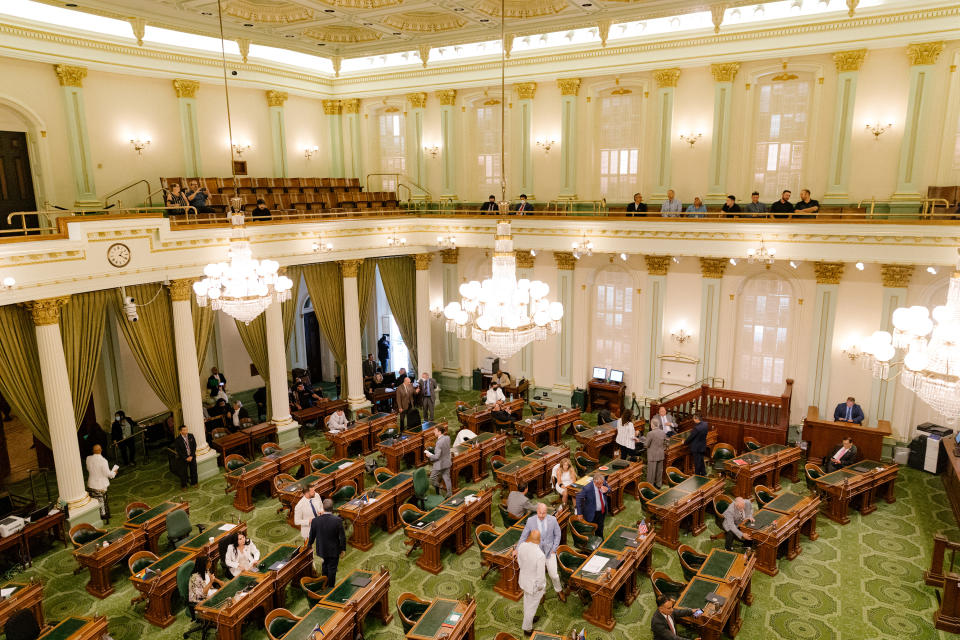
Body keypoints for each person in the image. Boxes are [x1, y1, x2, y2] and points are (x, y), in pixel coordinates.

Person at [517, 503, 566, 603]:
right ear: (537, 511)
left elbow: (558, 534)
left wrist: (554, 548)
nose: (542, 515)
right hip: (536, 553)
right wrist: (517, 549)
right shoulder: (530, 521)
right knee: (539, 577)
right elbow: (523, 536)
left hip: (550, 552)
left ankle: (559, 590)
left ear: (546, 512)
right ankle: (542, 593)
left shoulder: (553, 520)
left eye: (544, 513)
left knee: (554, 575)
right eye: (540, 513)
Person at [307, 498, 346, 587]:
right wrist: (343, 549)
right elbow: (342, 537)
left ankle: (324, 583)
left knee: (324, 565)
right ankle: (330, 587)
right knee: (332, 568)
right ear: (332, 508)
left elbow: (312, 535)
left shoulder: (315, 521)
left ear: (323, 508)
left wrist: (309, 545)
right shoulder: (338, 520)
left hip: (322, 549)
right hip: (334, 550)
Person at [517, 528, 546, 636]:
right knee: (531, 607)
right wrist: (541, 587)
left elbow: (519, 563)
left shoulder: (522, 546)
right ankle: (527, 628)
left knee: (527, 602)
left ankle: (529, 619)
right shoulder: (540, 555)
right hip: (534, 586)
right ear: (539, 540)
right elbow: (541, 576)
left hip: (523, 580)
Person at [86, 444, 117, 523]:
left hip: (90, 484)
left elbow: (88, 469)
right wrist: (114, 472)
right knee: (102, 499)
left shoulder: (88, 458)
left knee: (97, 499)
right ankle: (103, 513)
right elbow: (109, 475)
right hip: (100, 485)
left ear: (93, 451)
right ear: (101, 450)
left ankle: (99, 513)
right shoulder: (103, 461)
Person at [575, 473, 610, 539]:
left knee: (600, 527)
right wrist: (579, 513)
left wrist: (607, 490)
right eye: (599, 484)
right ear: (594, 482)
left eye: (602, 483)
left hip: (602, 511)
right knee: (591, 529)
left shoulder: (603, 482)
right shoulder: (587, 488)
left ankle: (600, 540)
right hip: (591, 512)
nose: (601, 485)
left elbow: (609, 488)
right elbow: (578, 498)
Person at [425, 423, 452, 498]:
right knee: (447, 478)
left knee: (432, 479)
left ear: (439, 432)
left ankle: (439, 486)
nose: (434, 432)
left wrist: (429, 455)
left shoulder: (439, 442)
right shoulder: (447, 438)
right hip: (447, 461)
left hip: (439, 464)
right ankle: (449, 494)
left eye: (435, 430)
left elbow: (436, 457)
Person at [645, 419, 667, 489]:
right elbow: (665, 443)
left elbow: (646, 445)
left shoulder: (650, 433)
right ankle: (658, 485)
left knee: (651, 472)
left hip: (652, 455)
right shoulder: (663, 432)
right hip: (660, 454)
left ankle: (650, 486)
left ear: (652, 424)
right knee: (659, 471)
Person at [174, 424, 198, 488]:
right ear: (180, 431)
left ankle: (194, 483)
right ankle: (184, 485)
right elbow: (179, 451)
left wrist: (191, 456)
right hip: (183, 458)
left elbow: (194, 446)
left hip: (192, 456)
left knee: (194, 470)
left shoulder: (191, 436)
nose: (186, 431)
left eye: (186, 429)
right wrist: (186, 457)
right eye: (184, 430)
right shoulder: (177, 440)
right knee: (183, 472)